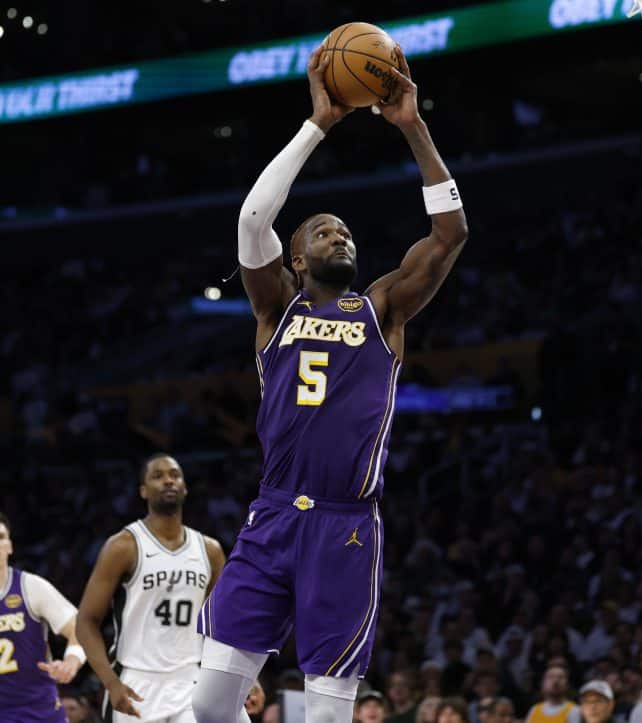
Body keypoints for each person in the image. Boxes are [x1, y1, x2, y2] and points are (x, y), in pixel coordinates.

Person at [192, 42, 468, 723]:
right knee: (208, 704)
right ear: (296, 254)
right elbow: (251, 219)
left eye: (344, 231)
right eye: (323, 230)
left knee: (324, 713)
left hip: (346, 524)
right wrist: (318, 123)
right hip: (274, 514)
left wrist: (412, 125)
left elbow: (450, 231)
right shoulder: (274, 307)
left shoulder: (383, 306)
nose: (338, 235)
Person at [76, 454, 226, 722]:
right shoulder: (123, 546)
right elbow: (86, 621)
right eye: (158, 476)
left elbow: (223, 624)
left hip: (190, 680)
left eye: (174, 475)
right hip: (135, 681)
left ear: (185, 486)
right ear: (143, 491)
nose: (168, 480)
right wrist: (110, 682)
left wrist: (246, 678)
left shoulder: (210, 551)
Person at [0, 511, 86, 722]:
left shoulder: (31, 586)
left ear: (10, 546)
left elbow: (80, 629)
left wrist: (71, 662)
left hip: (42, 710)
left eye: (1, 537)